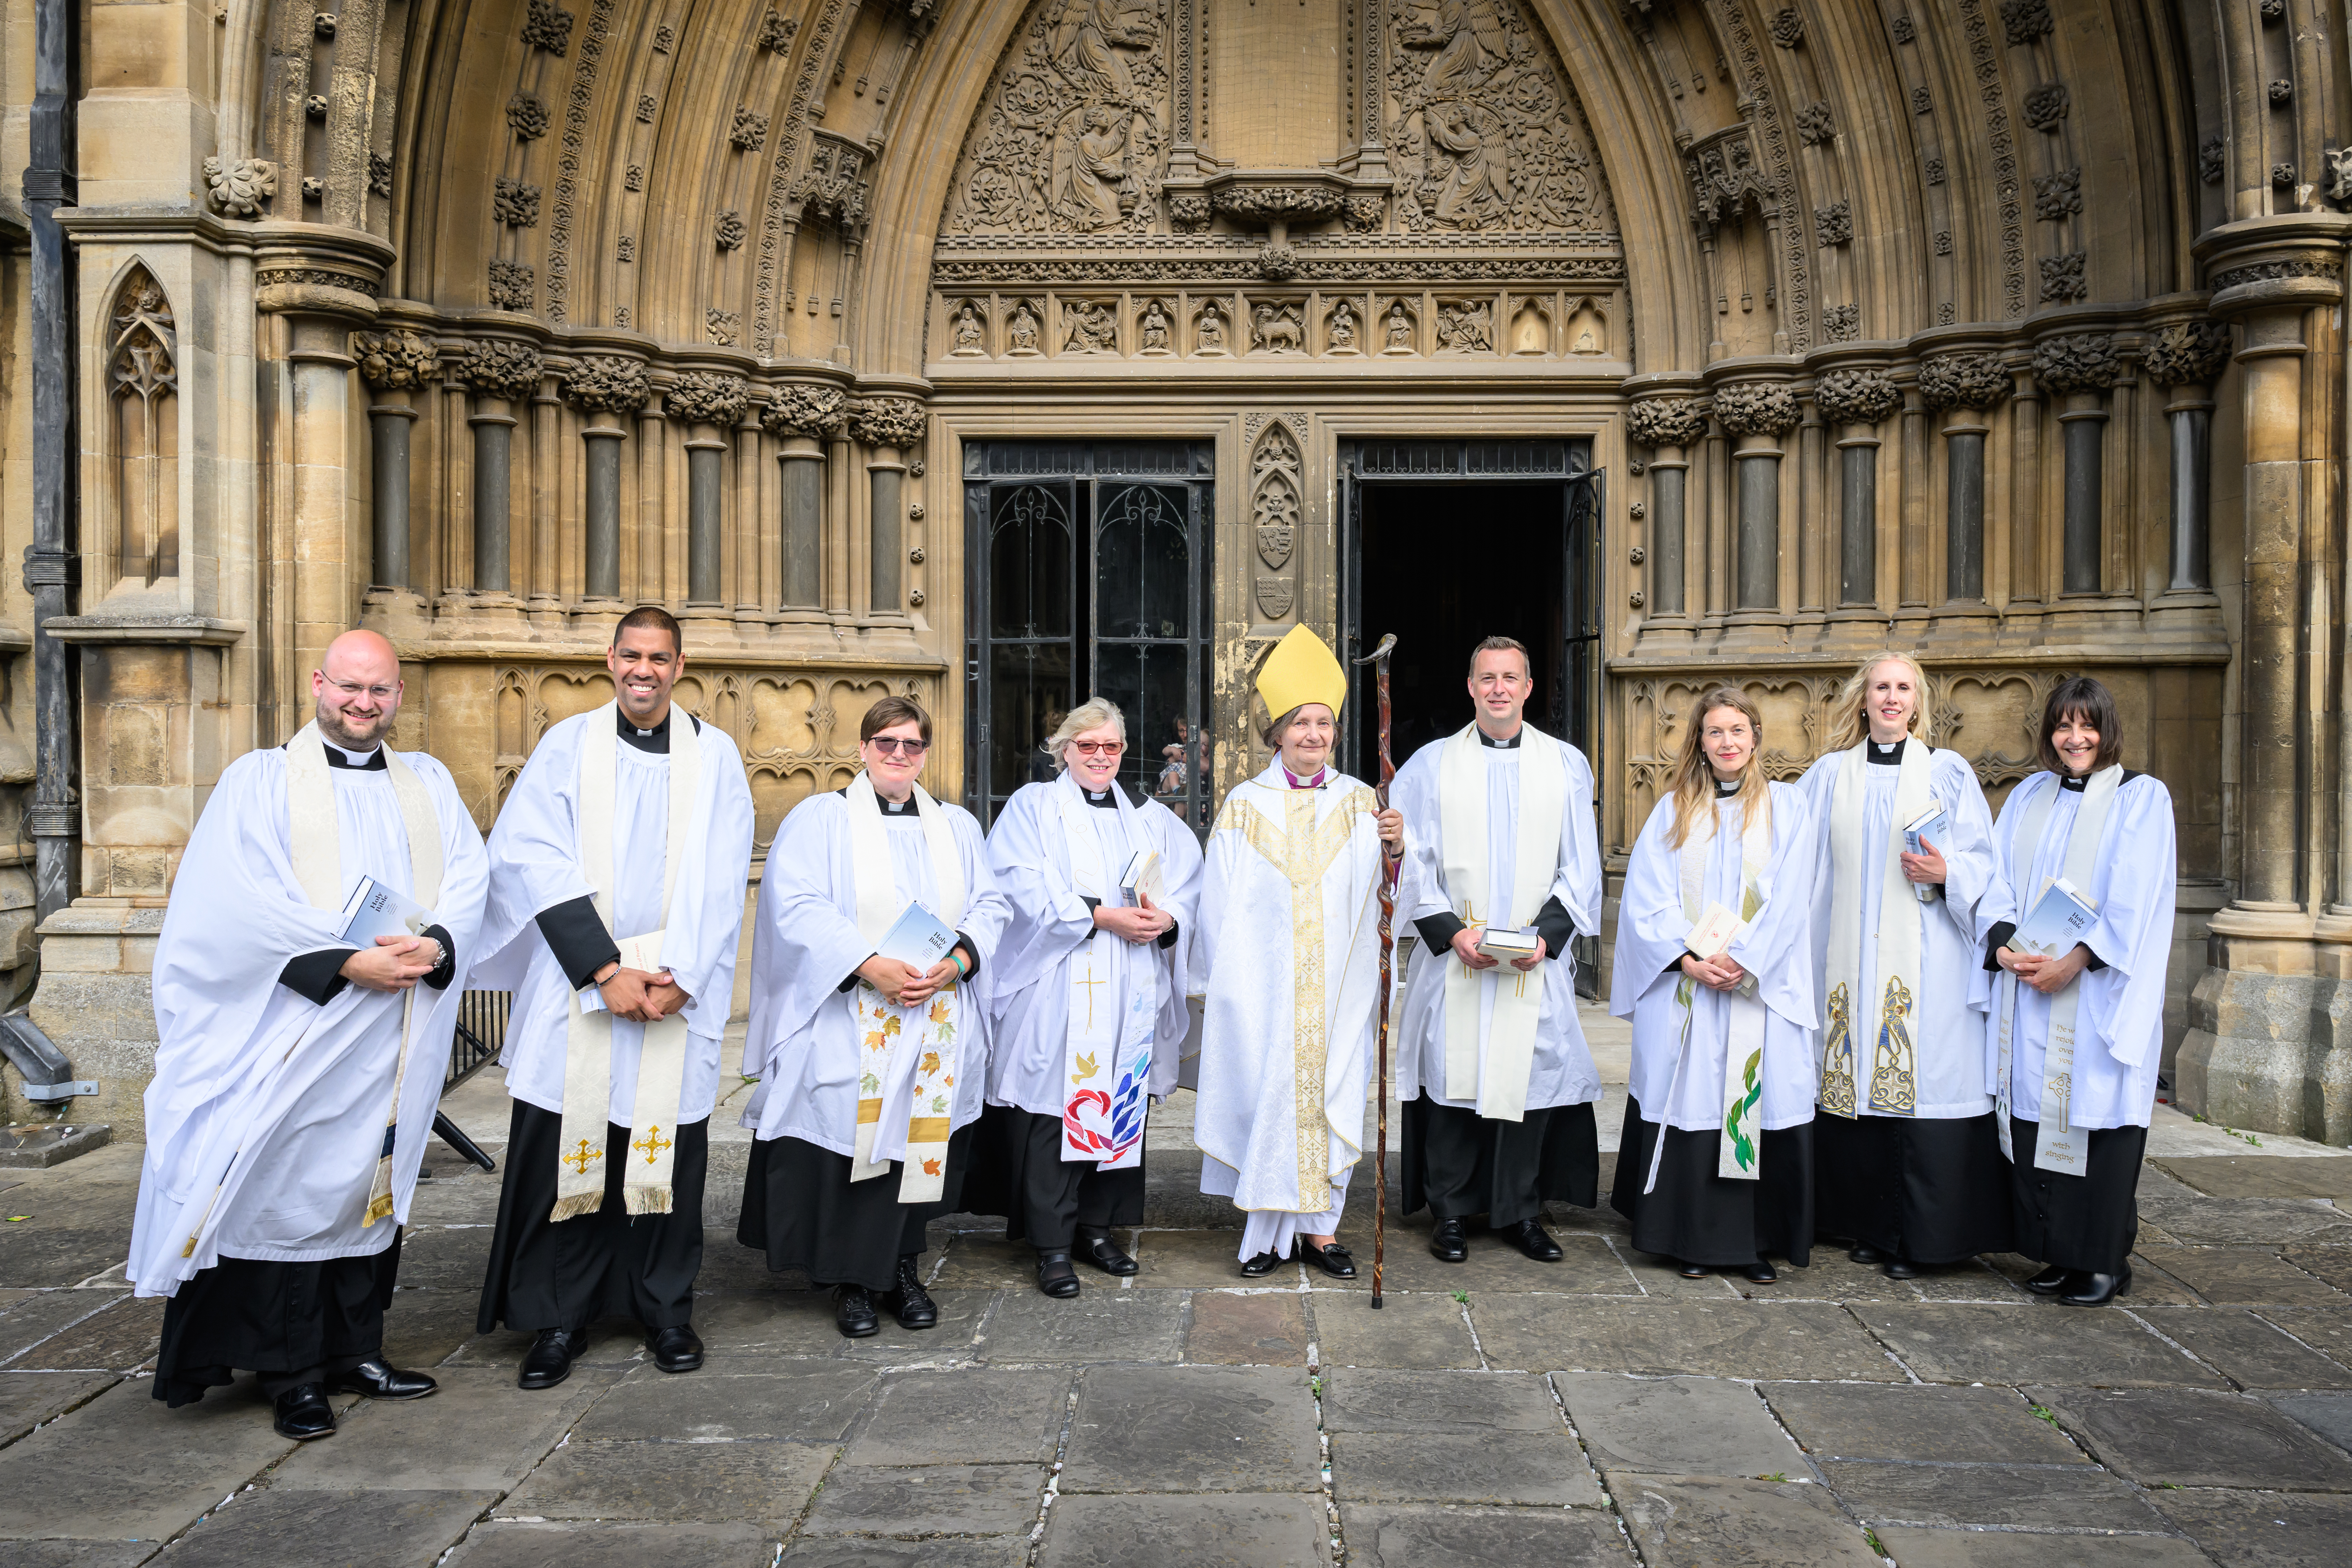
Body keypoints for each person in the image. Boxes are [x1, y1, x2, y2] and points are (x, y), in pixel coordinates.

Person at [131, 630, 489, 1439]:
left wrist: (436, 944)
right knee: (289, 1191)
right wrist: (343, 960)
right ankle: (291, 1371)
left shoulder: (426, 782)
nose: (364, 704)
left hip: (395, 1028)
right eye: (350, 688)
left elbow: (469, 877)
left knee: (372, 1181)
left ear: (400, 696)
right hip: (299, 1023)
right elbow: (233, 902)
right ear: (318, 684)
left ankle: (355, 1347)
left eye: (382, 691)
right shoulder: (258, 782)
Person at [469, 607, 755, 1390]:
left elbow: (726, 867)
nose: (643, 669)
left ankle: (665, 1308)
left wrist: (686, 973)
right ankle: (559, 1317)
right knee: (569, 1143)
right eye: (631, 654)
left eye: (659, 657)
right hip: (585, 985)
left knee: (665, 1152)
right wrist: (602, 967)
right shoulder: (569, 745)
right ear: (609, 658)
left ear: (679, 665)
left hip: (671, 986)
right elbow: (527, 852)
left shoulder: (715, 753)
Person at [738, 696, 1010, 1337]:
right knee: (852, 1141)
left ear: (925, 754)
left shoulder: (957, 826)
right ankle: (851, 1282)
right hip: (851, 1013)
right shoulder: (821, 819)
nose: (898, 754)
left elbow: (991, 902)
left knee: (918, 1139)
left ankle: (901, 1267)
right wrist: (866, 962)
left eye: (912, 745)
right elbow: (797, 903)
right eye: (885, 742)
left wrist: (959, 960)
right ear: (861, 749)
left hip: (935, 1014)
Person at [968, 698, 1204, 1296]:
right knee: (1054, 1109)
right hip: (1059, 985)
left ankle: (1098, 1228)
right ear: (1064, 749)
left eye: (1112, 747)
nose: (1101, 757)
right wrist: (1099, 916)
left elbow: (1186, 885)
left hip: (1130, 983)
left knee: (1120, 1101)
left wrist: (1164, 922)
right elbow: (1015, 879)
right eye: (1088, 746)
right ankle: (1051, 1243)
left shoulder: (1148, 818)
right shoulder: (1034, 807)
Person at [1192, 626, 1404, 1277]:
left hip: (1338, 989)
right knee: (1271, 1097)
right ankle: (1264, 1237)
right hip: (1263, 985)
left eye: (1325, 723)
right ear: (1276, 731)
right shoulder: (1243, 805)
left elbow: (1389, 897)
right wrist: (1219, 982)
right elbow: (1217, 902)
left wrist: (1395, 850)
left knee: (1331, 1097)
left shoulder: (1363, 803)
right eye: (1300, 723)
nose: (1314, 734)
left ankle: (1320, 1234)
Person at [1389, 636, 1604, 1264]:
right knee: (1454, 1082)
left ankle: (1521, 1210)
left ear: (1529, 687)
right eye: (1487, 678)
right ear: (1470, 686)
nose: (1499, 689)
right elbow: (1410, 864)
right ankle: (1451, 1212)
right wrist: (1452, 932)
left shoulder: (1565, 764)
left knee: (1527, 1084)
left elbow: (1581, 863)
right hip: (1458, 954)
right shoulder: (1428, 765)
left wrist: (1545, 936)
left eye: (1510, 677)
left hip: (1532, 958)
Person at [1799, 653, 2012, 1276]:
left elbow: (1983, 859)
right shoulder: (1827, 775)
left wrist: (1949, 872)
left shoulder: (1946, 773)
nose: (1890, 698)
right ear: (1860, 700)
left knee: (1917, 1087)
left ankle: (1922, 1235)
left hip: (1927, 963)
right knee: (1856, 1090)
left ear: (1918, 702)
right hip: (1844, 962)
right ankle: (1869, 1227)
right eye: (1879, 688)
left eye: (1902, 689)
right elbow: (1798, 870)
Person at [1608, 687, 1818, 1281]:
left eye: (1737, 730)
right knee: (1694, 1098)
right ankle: (1689, 1239)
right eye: (1714, 732)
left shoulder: (1788, 807)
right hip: (1691, 989)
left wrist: (1746, 959)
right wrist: (1688, 958)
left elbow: (1792, 895)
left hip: (1759, 987)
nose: (1727, 742)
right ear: (1699, 742)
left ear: (1755, 736)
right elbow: (1645, 901)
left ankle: (1753, 1239)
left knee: (1753, 1099)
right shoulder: (1673, 810)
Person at [1978, 677, 2175, 1306]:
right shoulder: (2029, 794)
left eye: (2086, 726)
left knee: (2096, 1119)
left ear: (2106, 729)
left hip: (2093, 995)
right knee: (2041, 1118)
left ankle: (2102, 1261)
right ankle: (2061, 1253)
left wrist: (2077, 961)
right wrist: (2003, 940)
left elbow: (2135, 899)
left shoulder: (2139, 798)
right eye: (2063, 726)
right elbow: (1996, 878)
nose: (2074, 738)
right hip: (2030, 985)